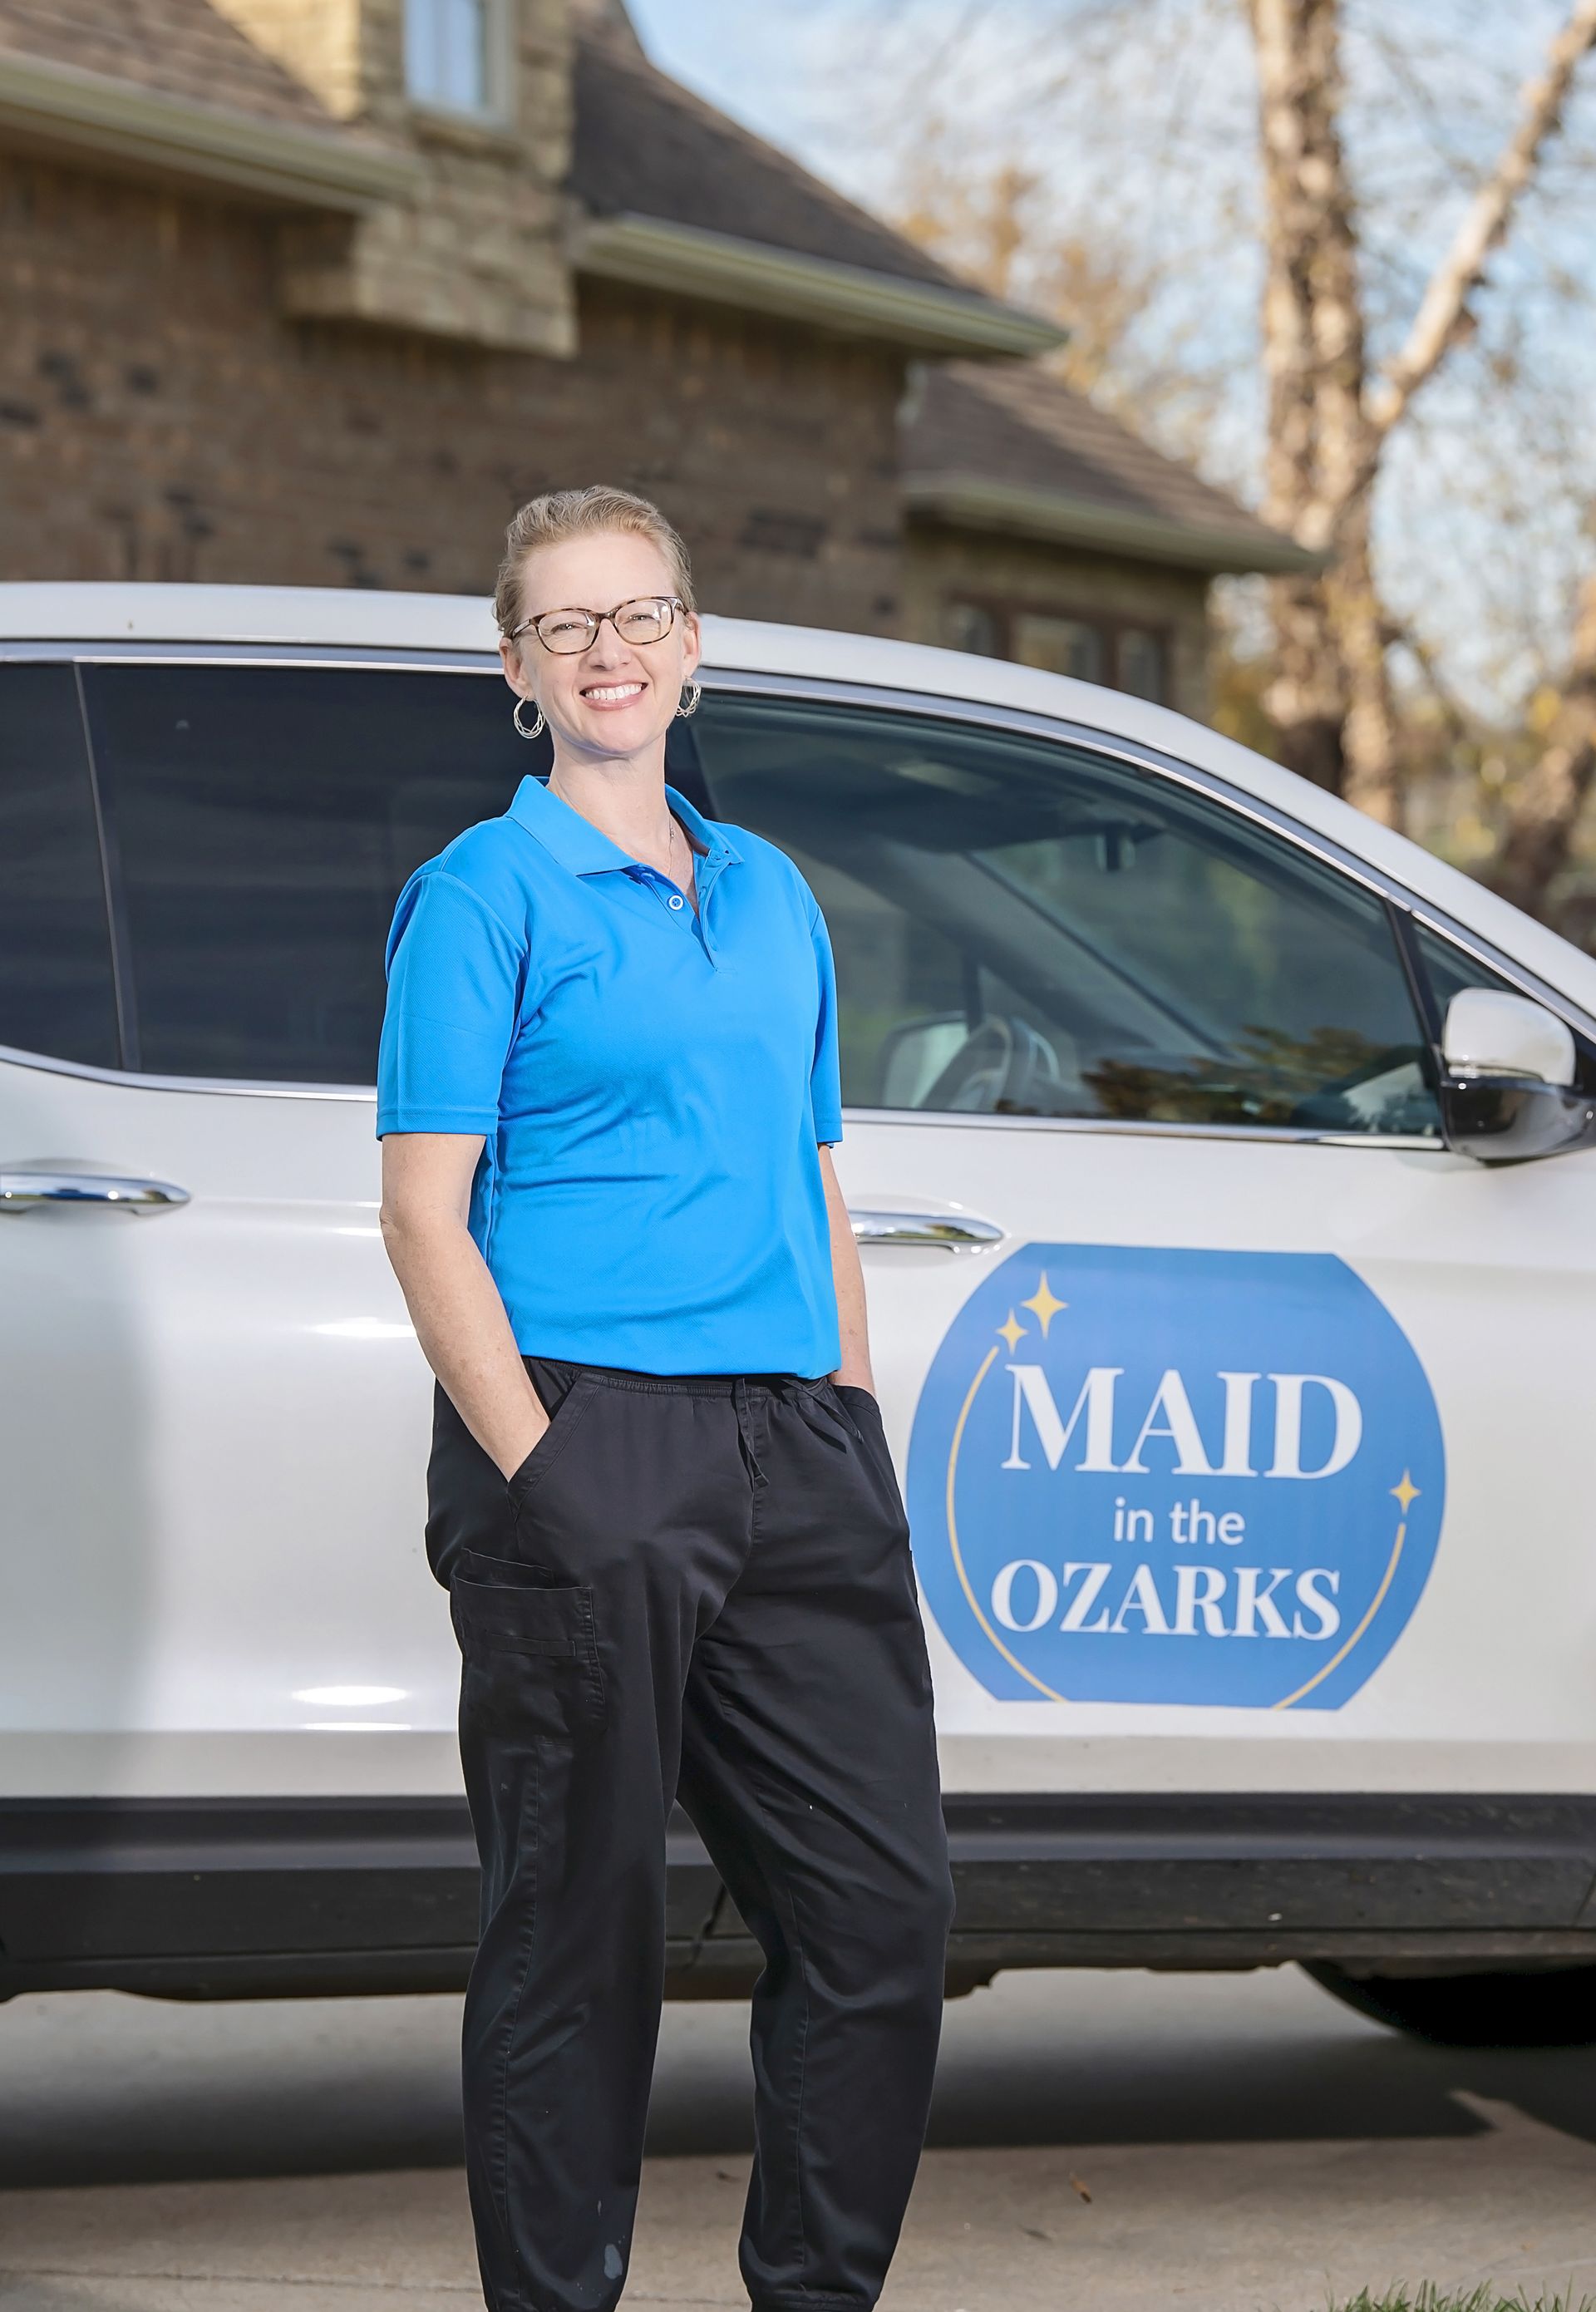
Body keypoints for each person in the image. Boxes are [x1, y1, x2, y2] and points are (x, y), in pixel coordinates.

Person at [376, 485, 954, 2312]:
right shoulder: (480, 894)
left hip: (798, 1446)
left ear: (694, 645)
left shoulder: (772, 891)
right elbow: (423, 1211)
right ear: (518, 668)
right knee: (578, 1940)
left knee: (880, 1919)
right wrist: (551, 1473)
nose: (608, 651)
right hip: (587, 1435)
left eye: (640, 616)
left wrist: (850, 1407)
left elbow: (814, 1170)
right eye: (566, 625)